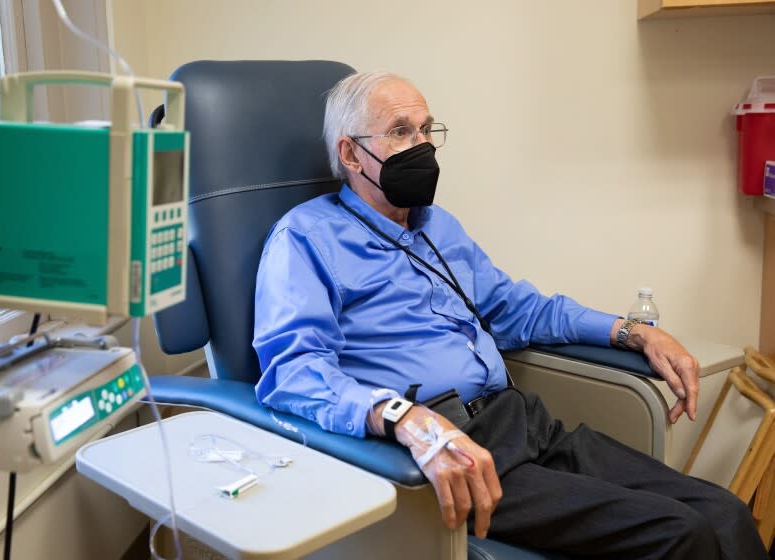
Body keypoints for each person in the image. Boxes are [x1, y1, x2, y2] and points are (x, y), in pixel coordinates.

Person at [252, 71, 768, 559]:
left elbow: (515, 309)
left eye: (427, 130)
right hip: (444, 452)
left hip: (518, 420)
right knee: (681, 534)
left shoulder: (437, 226)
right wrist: (404, 419)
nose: (421, 146)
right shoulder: (305, 239)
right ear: (350, 153)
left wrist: (632, 333)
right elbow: (293, 373)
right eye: (399, 132)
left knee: (725, 513)